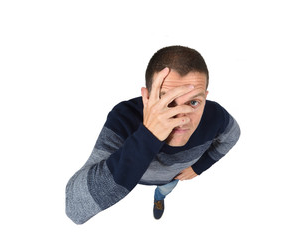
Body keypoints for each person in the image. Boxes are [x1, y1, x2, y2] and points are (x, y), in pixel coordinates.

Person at [65, 45, 241, 224]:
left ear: (205, 96)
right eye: (167, 101)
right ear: (147, 98)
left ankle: (159, 198)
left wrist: (199, 167)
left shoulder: (216, 115)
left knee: (165, 190)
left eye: (194, 101)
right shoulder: (124, 118)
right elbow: (75, 208)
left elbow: (232, 136)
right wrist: (148, 135)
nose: (181, 118)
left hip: (171, 179)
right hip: (135, 179)